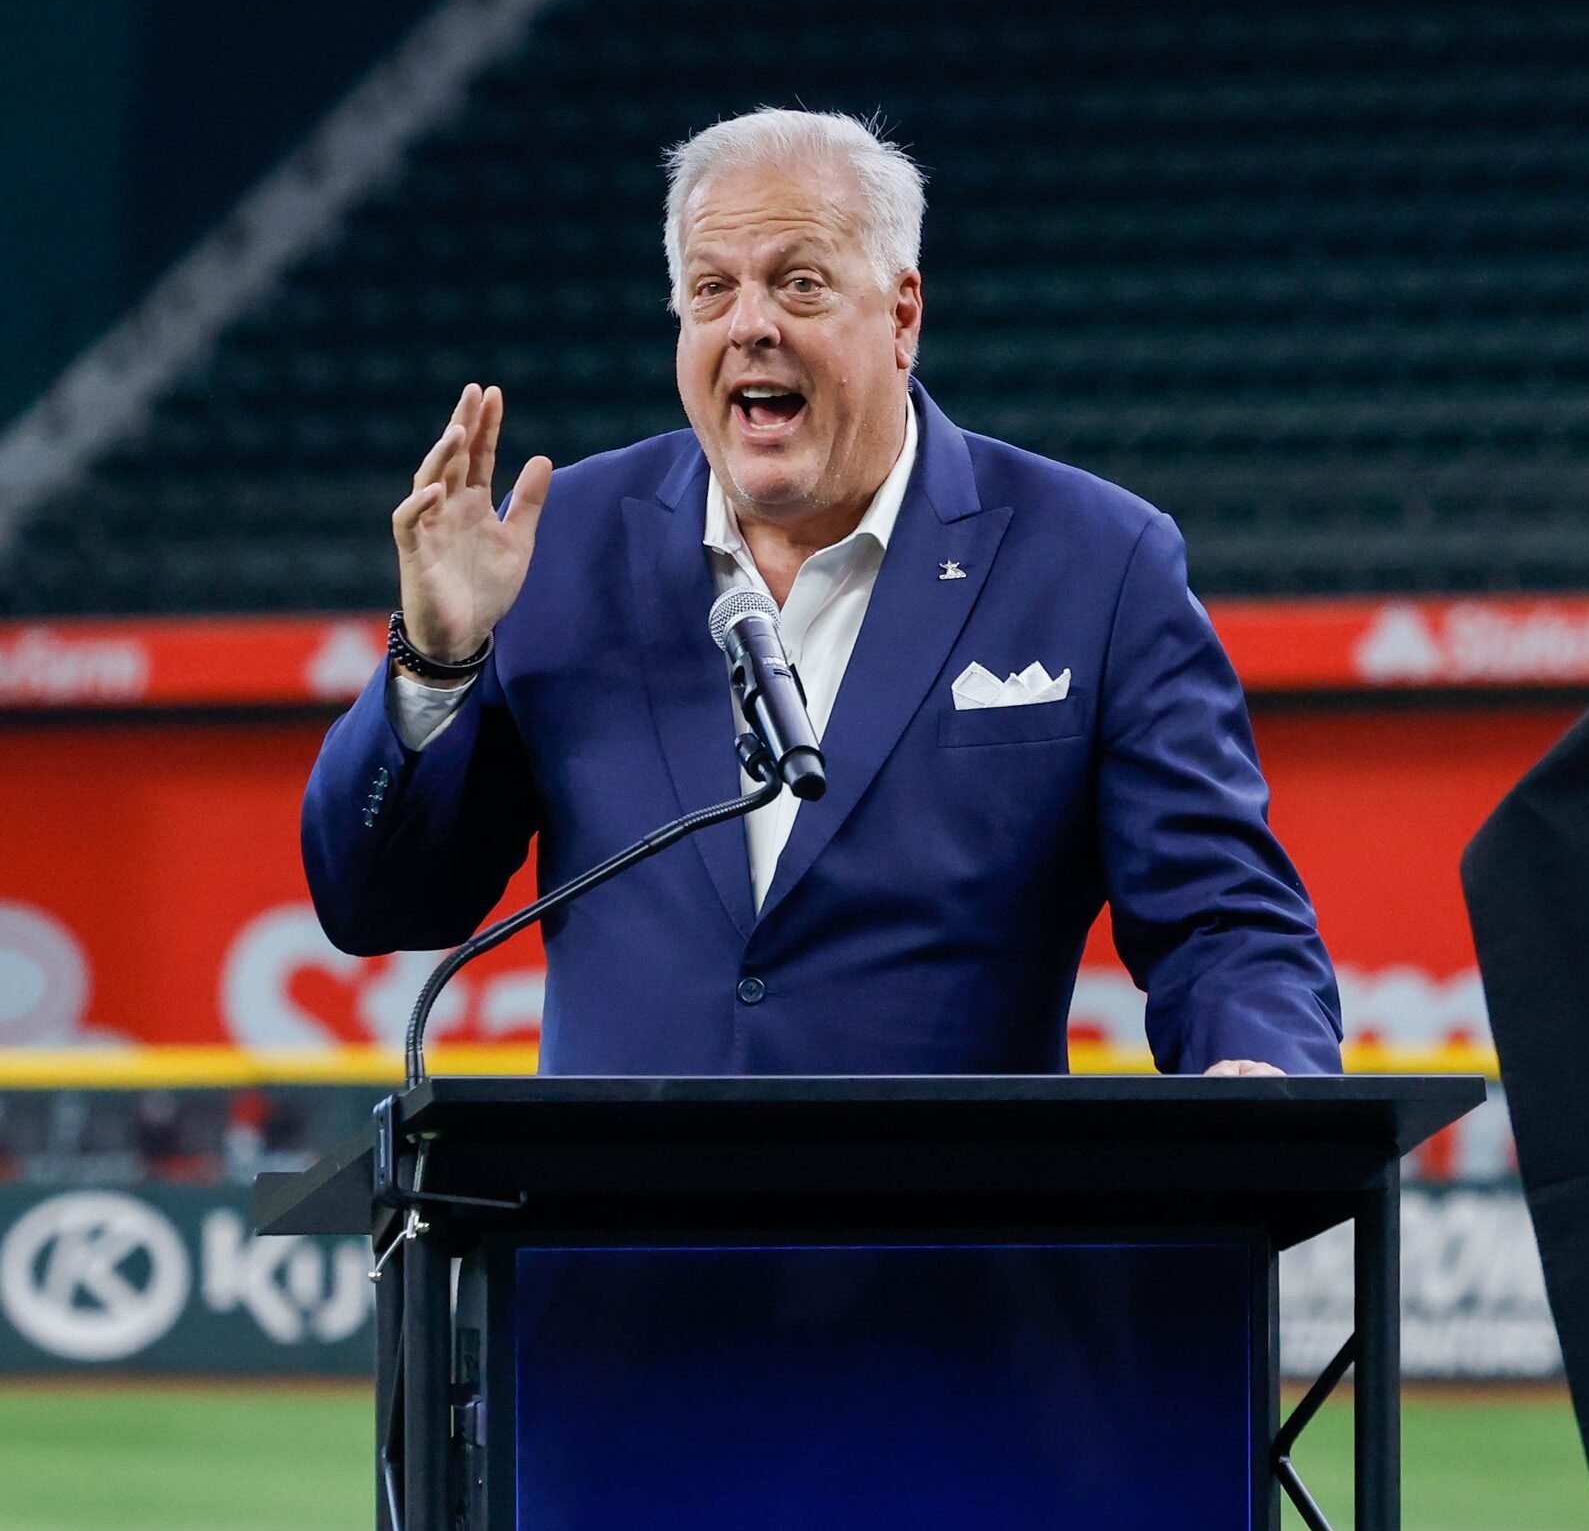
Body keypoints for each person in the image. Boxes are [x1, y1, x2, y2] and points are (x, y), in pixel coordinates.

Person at [302, 108, 1340, 1077]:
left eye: (799, 283)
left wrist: (1256, 1071)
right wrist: (434, 663)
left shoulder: (1094, 561)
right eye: (711, 290)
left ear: (902, 314)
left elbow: (1223, 920)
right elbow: (374, 904)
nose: (750, 325)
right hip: (617, 1253)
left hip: (944, 1258)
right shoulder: (556, 548)